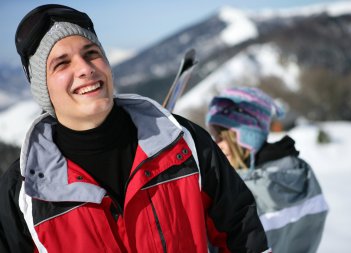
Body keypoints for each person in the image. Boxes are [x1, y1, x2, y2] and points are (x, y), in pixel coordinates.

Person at [0, 4, 271, 253]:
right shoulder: (25, 192)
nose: (84, 68)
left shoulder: (182, 142)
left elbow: (241, 231)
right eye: (62, 63)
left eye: (91, 53)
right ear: (42, 88)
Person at [206, 87, 329, 253]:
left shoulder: (246, 192)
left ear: (248, 136)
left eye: (222, 137)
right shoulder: (301, 171)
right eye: (214, 137)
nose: (216, 145)